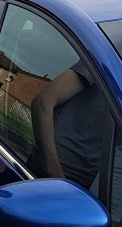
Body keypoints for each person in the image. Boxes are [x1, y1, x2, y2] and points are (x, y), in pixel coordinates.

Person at [30, 60, 109, 189]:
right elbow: (42, 103)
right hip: (44, 177)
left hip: (86, 191)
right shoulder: (107, 64)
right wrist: (55, 176)